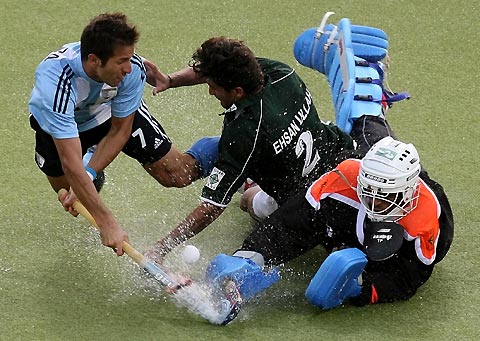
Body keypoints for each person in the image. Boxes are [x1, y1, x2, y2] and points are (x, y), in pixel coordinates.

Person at [203, 15, 454, 313]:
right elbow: (293, 222)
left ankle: (253, 174)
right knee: (365, 124)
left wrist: (363, 287)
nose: (373, 200)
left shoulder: (428, 220)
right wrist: (250, 256)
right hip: (353, 158)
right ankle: (361, 70)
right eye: (369, 190)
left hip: (372, 198)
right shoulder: (347, 178)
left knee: (252, 200)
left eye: (383, 195)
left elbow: (407, 278)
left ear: (407, 193)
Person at [145, 36, 355, 260]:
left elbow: (212, 206)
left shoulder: (245, 132)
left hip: (306, 205)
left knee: (247, 200)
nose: (210, 92)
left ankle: (246, 180)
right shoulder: (279, 72)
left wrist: (162, 247)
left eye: (213, 87)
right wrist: (169, 80)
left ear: (237, 92)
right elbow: (220, 66)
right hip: (344, 158)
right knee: (249, 155)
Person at [29, 13, 218, 255]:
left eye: (130, 58)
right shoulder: (56, 85)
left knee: (177, 174)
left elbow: (120, 130)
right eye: (121, 61)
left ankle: (234, 151)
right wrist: (102, 214)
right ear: (95, 60)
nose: (128, 67)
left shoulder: (131, 70)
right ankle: (92, 171)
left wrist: (88, 178)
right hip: (61, 126)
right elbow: (70, 162)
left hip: (110, 114)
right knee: (76, 191)